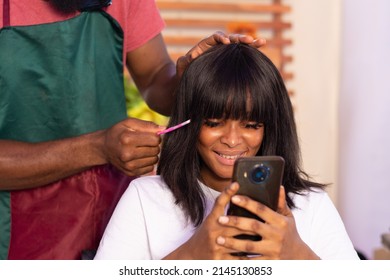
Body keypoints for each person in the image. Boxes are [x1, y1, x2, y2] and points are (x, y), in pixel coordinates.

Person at [0, 0, 265, 259]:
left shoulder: (142, 203)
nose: (232, 139)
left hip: (104, 209)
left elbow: (155, 77)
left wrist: (187, 81)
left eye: (250, 125)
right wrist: (98, 147)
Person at [94, 43, 360, 260]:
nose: (232, 141)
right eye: (213, 123)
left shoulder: (311, 205)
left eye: (251, 125)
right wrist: (191, 258)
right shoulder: (146, 198)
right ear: (190, 124)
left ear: (271, 127)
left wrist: (297, 256)